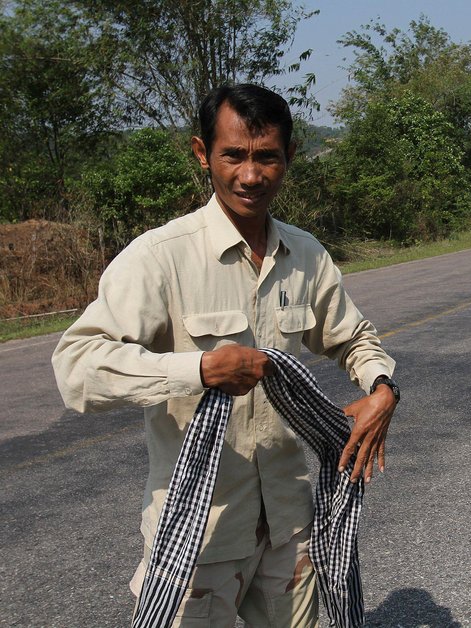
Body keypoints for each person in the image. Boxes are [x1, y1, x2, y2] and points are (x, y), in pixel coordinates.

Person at [51, 83, 399, 627]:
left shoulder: (305, 255)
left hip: (290, 528)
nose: (251, 175)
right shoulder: (160, 258)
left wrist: (382, 389)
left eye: (267, 158)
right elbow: (76, 366)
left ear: (289, 158)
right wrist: (196, 369)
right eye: (233, 155)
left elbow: (352, 336)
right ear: (202, 153)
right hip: (199, 535)